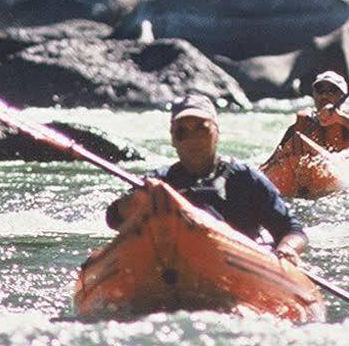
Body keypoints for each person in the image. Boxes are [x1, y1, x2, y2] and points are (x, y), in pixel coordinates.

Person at [105, 95, 309, 261]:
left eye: (202, 129)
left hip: (240, 263)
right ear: (173, 139)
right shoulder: (159, 181)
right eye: (182, 132)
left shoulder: (246, 179)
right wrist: (136, 200)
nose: (193, 139)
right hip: (173, 263)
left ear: (216, 133)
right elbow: (113, 219)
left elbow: (293, 230)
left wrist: (287, 249)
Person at [276, 70, 349, 169]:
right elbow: (277, 156)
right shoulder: (302, 124)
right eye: (320, 90)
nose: (324, 95)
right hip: (311, 175)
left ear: (342, 96)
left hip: (347, 168)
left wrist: (339, 118)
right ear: (314, 94)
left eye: (332, 90)